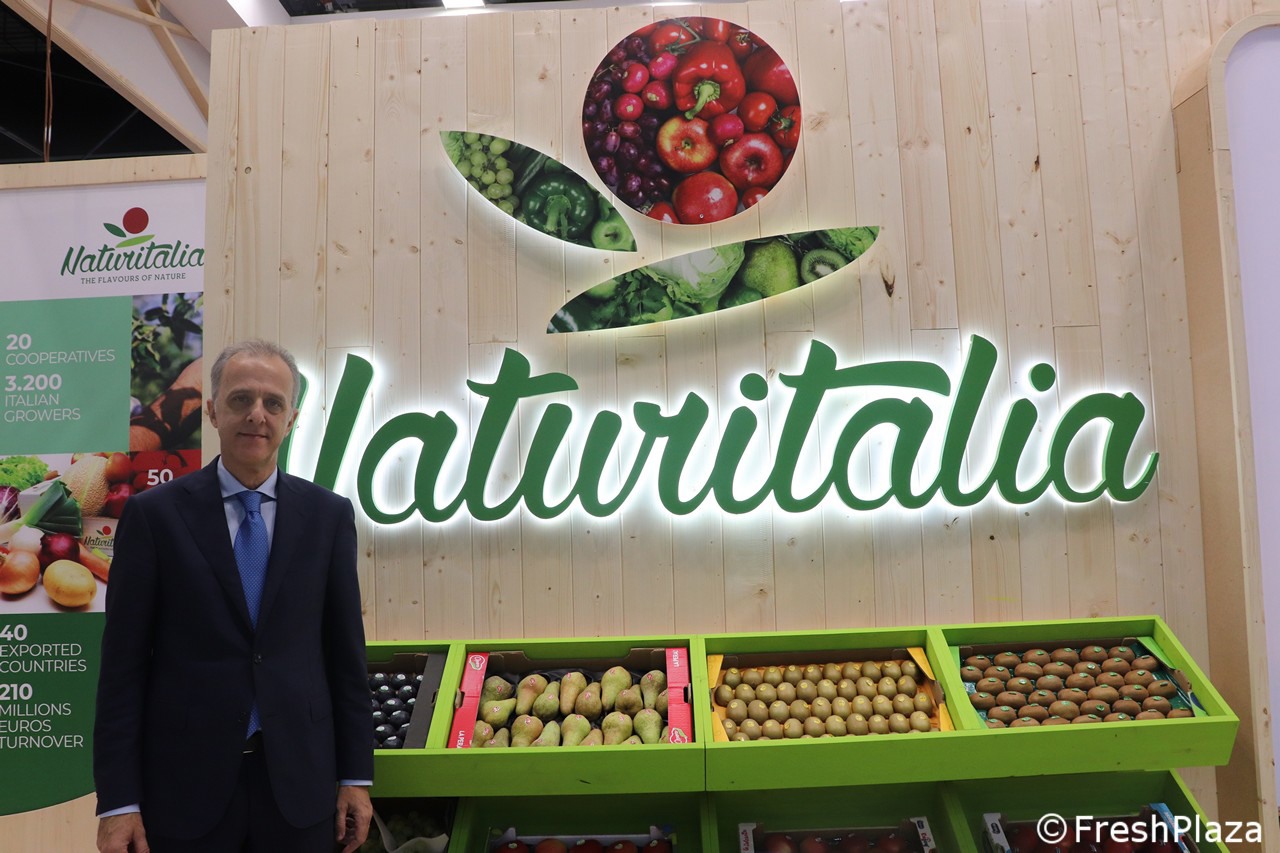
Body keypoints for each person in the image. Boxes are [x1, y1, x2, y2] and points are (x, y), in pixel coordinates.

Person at [94, 340, 373, 853]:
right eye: (241, 399)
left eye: (273, 403)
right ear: (212, 410)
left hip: (300, 788)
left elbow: (345, 659)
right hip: (183, 789)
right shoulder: (154, 517)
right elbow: (122, 670)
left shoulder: (328, 517)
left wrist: (356, 776)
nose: (257, 415)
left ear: (291, 419)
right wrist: (118, 803)